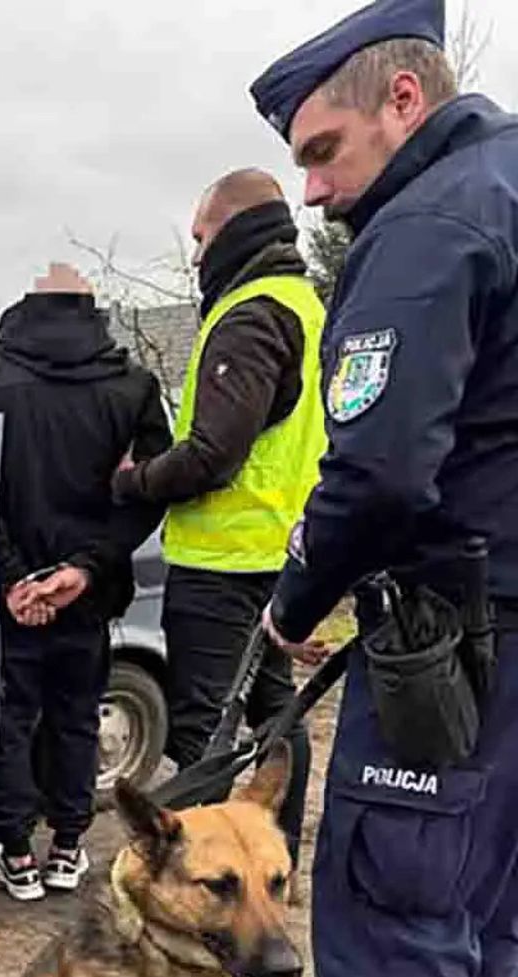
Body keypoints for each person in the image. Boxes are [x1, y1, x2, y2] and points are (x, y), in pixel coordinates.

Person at [250, 0, 518, 972]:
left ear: (402, 99)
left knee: (393, 929)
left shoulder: (427, 223)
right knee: (489, 925)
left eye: (322, 150)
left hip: (451, 657)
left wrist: (291, 604)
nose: (313, 190)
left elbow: (375, 474)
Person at [111, 168, 326, 870]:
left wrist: (134, 479)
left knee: (206, 725)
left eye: (202, 237)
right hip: (278, 551)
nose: (197, 255)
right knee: (277, 714)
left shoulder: (249, 315)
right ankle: (273, 860)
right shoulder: (304, 303)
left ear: (234, 229)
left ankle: (202, 878)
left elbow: (211, 455)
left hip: (224, 561)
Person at [0, 262, 171, 901]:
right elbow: (148, 495)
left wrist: (18, 577)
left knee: (16, 718)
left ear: (25, 304)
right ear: (91, 308)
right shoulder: (131, 386)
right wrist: (83, 570)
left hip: (7, 594)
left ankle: (18, 858)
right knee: (78, 717)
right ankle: (68, 850)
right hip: (90, 592)